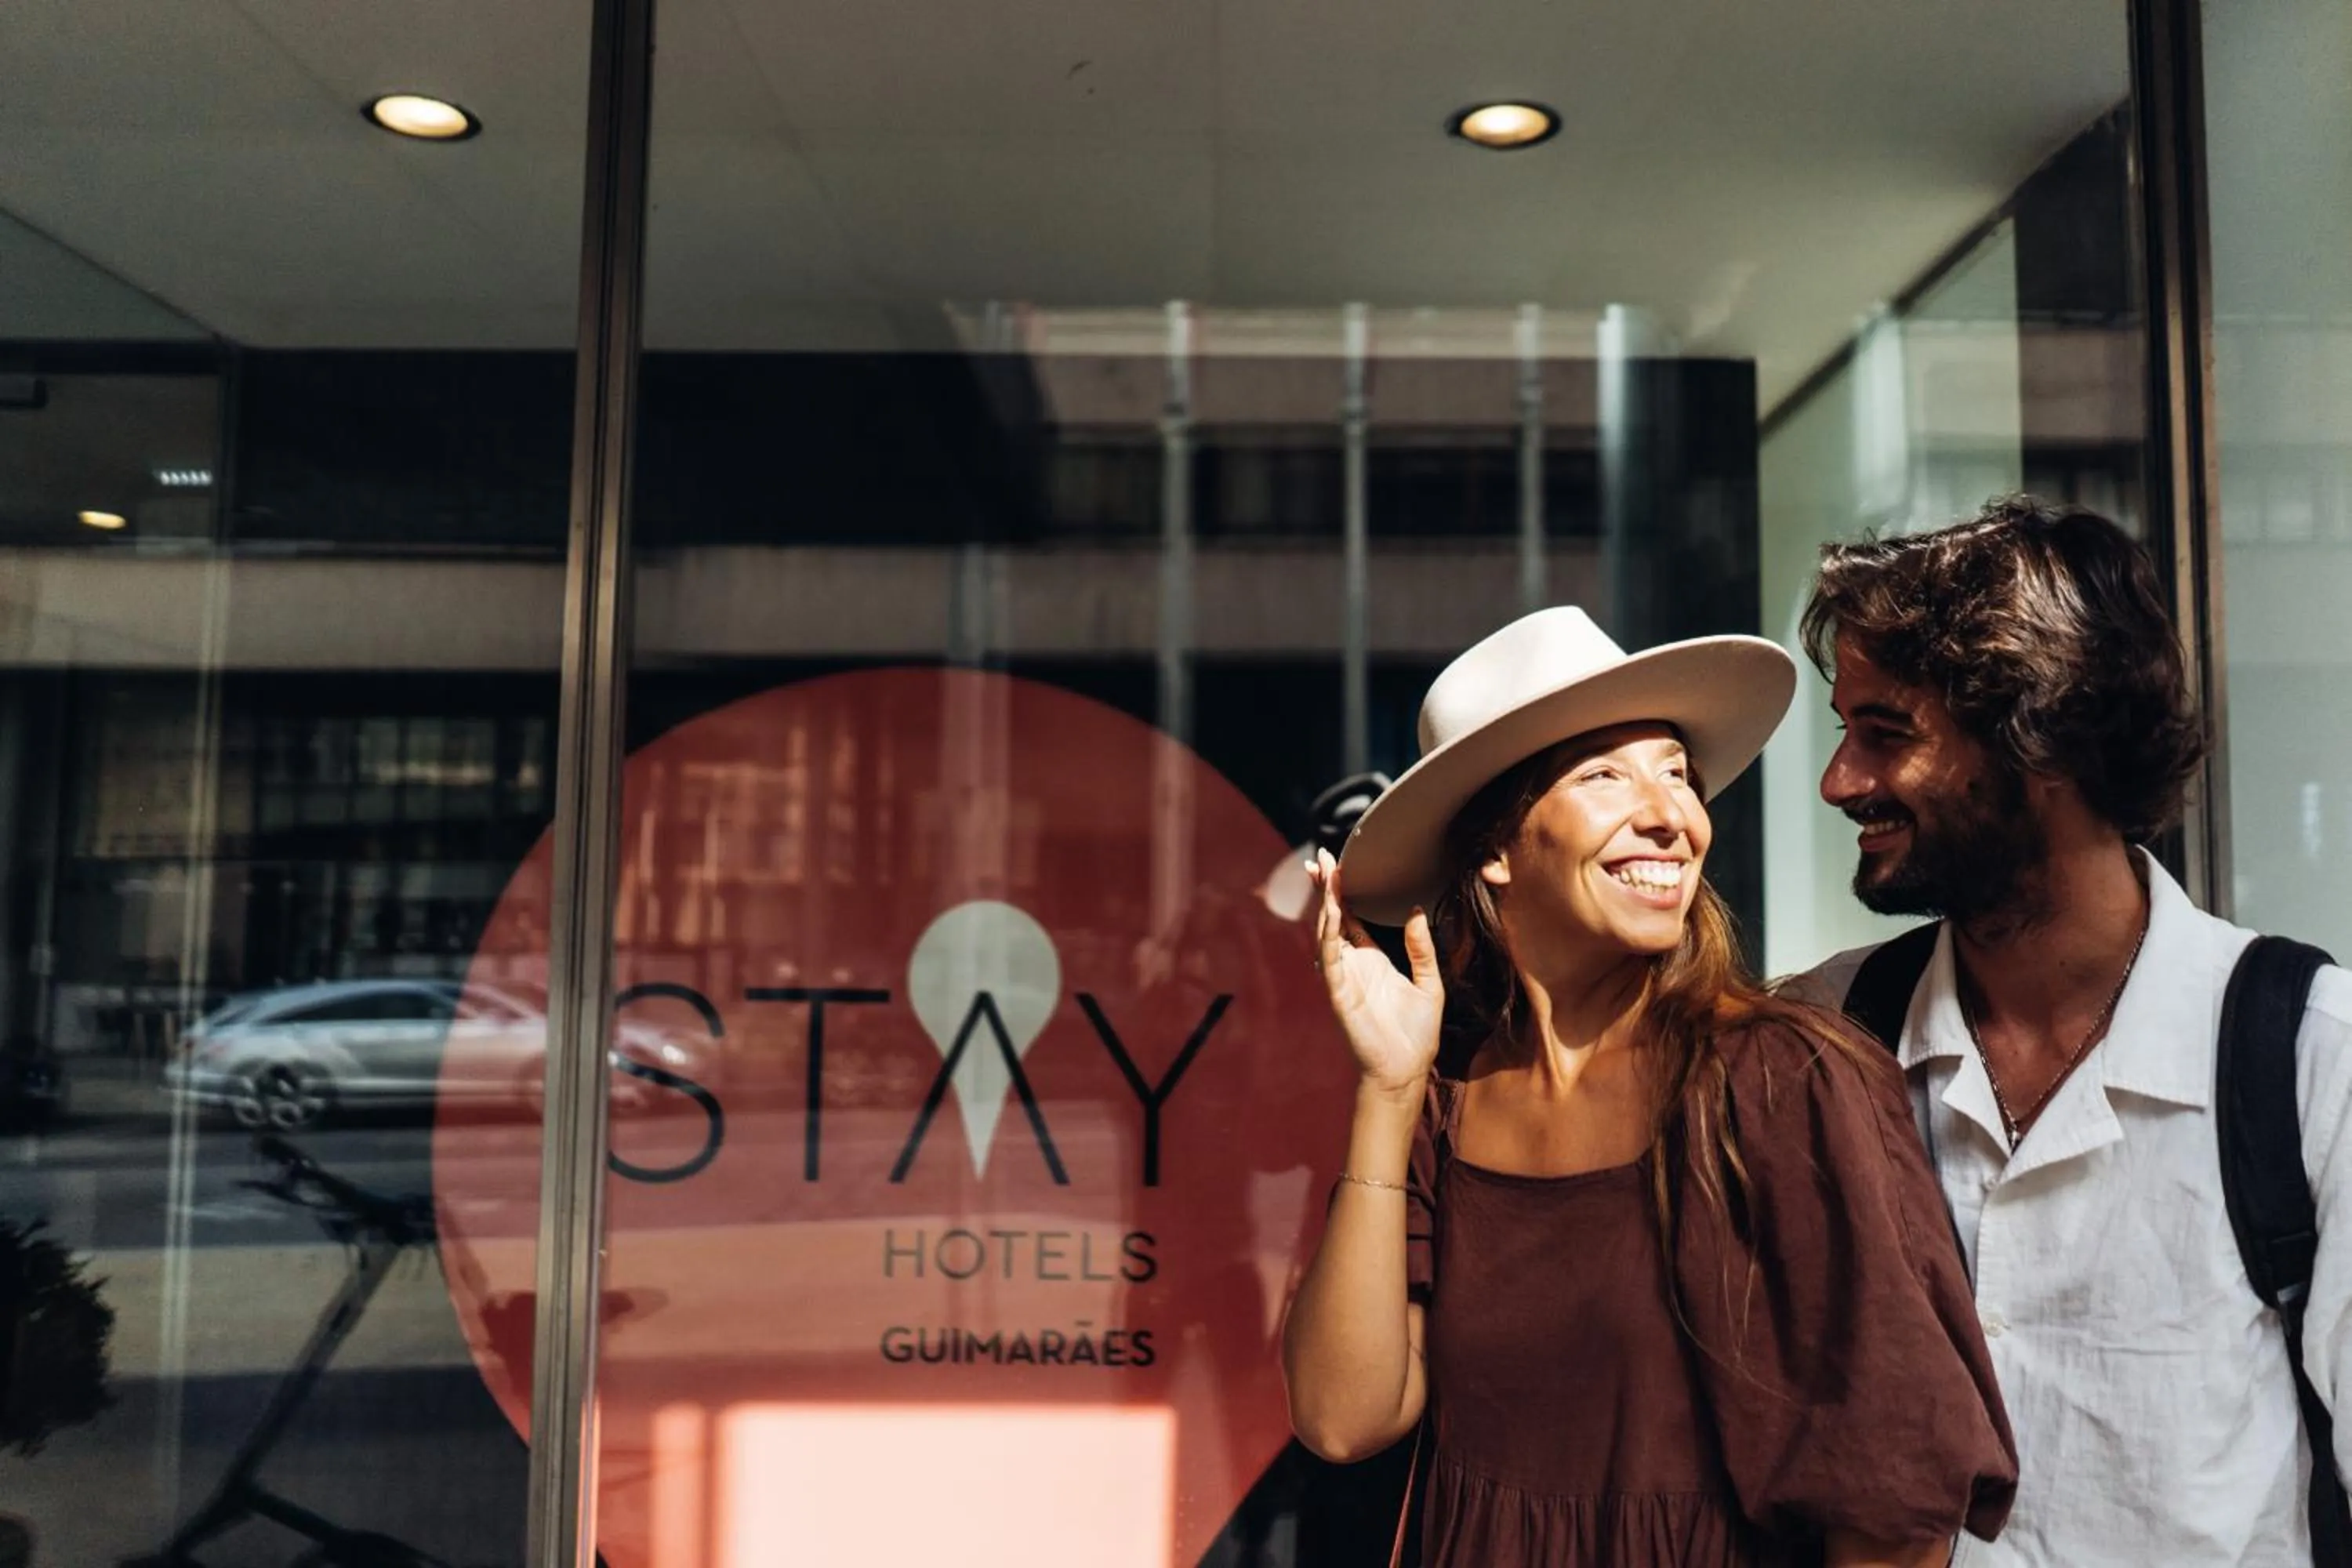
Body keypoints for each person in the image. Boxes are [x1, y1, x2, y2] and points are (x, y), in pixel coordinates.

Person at [1281, 605, 2016, 1568]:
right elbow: (1344, 1416)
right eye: (1603, 775)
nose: (1672, 814)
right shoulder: (1443, 1096)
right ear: (1494, 850)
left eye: (1677, 772)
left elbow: (1892, 1510)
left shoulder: (1783, 1081)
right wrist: (1387, 1089)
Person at [1791, 495, 2352, 1566]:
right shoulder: (1827, 1038)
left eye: (1885, 733)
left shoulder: (2312, 1059)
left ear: (2039, 737)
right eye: (1843, 730)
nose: (1839, 781)